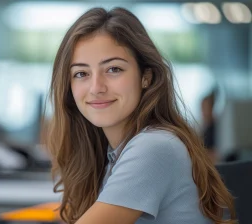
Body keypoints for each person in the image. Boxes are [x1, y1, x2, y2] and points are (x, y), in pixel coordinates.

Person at [44, 7, 236, 224]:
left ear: (146, 77)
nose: (96, 87)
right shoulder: (113, 155)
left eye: (114, 69)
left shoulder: (154, 146)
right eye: (81, 73)